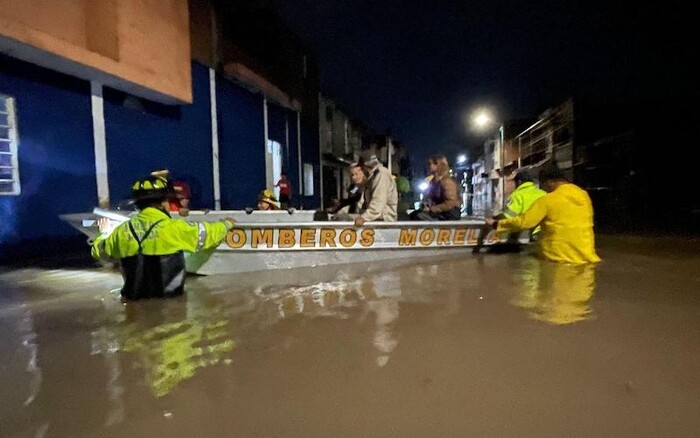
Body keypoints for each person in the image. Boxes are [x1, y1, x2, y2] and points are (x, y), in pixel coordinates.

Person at [91, 175, 236, 300]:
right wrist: (227, 224)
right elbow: (206, 234)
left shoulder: (121, 232)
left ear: (138, 204)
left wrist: (103, 233)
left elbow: (99, 253)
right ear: (163, 202)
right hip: (172, 308)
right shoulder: (173, 228)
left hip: (133, 305)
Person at [486, 166, 601, 264]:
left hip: (558, 259)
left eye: (542, 184)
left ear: (550, 182)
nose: (543, 188)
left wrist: (496, 224)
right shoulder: (584, 196)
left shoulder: (547, 200)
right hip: (587, 258)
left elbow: (524, 222)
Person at [496, 170, 546, 238]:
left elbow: (507, 216)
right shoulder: (543, 193)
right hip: (543, 232)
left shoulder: (518, 195)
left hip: (527, 234)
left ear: (519, 182)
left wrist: (493, 221)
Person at [410, 155, 461, 221]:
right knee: (414, 214)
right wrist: (426, 204)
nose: (429, 166)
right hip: (439, 212)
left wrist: (432, 209)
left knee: (420, 216)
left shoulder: (447, 182)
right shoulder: (433, 181)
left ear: (439, 165)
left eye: (432, 164)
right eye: (429, 164)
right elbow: (431, 198)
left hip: (449, 214)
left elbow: (450, 203)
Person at [354, 152, 398, 227]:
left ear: (365, 167)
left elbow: (378, 201)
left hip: (384, 222)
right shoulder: (371, 177)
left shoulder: (381, 174)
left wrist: (364, 217)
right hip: (377, 220)